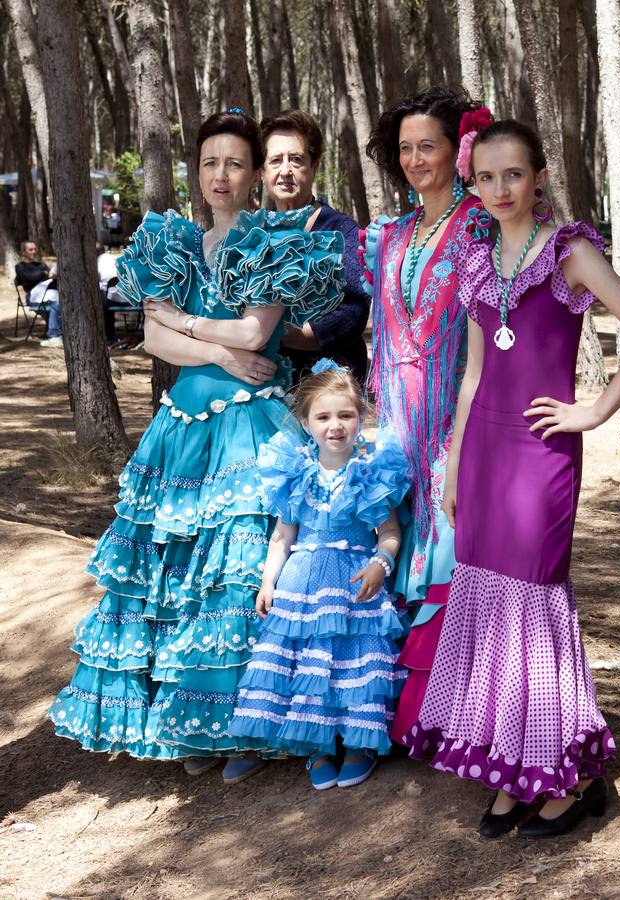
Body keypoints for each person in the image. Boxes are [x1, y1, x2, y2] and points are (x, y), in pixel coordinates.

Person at [47, 109, 344, 783]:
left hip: (250, 429)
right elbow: (154, 340)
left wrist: (192, 329)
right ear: (197, 172)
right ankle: (189, 721)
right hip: (182, 425)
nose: (221, 175)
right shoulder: (174, 245)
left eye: (236, 163)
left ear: (254, 174)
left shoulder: (274, 241)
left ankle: (248, 723)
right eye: (210, 163)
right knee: (177, 571)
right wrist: (206, 339)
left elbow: (255, 332)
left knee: (240, 572)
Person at [401, 121, 620, 838]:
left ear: (539, 176)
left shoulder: (571, 253)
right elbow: (474, 373)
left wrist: (594, 411)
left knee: (533, 605)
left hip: (543, 452)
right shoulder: (476, 259)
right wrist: (453, 466)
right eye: (485, 178)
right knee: (488, 604)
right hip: (484, 455)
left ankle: (571, 779)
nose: (498, 190)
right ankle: (513, 769)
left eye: (512, 175)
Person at [359, 86, 495, 744]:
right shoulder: (387, 234)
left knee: (449, 552)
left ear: (457, 152)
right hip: (395, 429)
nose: (416, 159)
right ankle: (390, 713)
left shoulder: (482, 224)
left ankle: (452, 718)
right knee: (395, 546)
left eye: (429, 147)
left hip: (458, 423)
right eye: (406, 148)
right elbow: (379, 331)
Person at [228, 360, 410, 789]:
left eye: (346, 415)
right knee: (310, 663)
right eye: (323, 416)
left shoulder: (371, 470)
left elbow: (389, 532)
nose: (335, 426)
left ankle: (361, 743)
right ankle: (319, 745)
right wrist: (268, 581)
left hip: (354, 581)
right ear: (306, 421)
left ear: (360, 418)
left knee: (353, 661)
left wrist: (380, 565)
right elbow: (281, 537)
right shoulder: (294, 473)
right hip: (303, 582)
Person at [260, 109, 370, 383]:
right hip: (266, 384)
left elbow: (352, 312)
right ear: (262, 171)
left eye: (296, 160)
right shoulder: (253, 234)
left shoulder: (341, 230)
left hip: (329, 388)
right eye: (275, 161)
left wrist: (270, 335)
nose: (285, 171)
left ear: (314, 166)